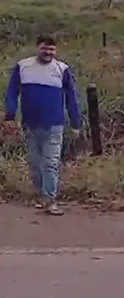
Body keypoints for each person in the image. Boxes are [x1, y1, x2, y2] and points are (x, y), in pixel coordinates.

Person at [3, 36, 81, 216]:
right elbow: (12, 92)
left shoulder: (62, 69)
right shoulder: (23, 66)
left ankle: (50, 200)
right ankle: (41, 196)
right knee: (35, 164)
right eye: (45, 49)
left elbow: (71, 98)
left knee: (51, 163)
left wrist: (76, 122)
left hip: (55, 125)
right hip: (30, 124)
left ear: (56, 51)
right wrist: (10, 115)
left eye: (52, 50)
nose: (48, 53)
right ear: (37, 48)